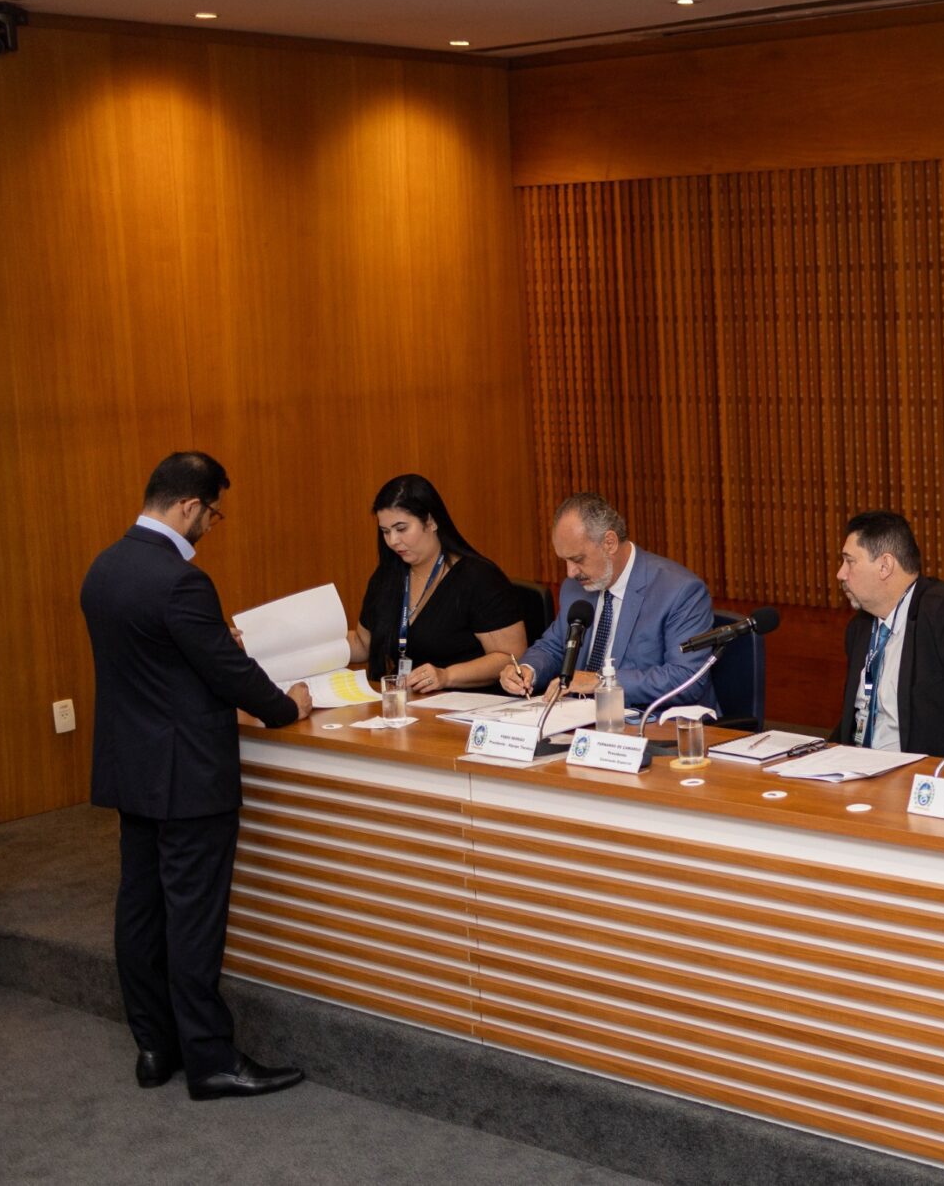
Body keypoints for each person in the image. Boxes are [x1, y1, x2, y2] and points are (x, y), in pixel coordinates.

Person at [80, 451, 312, 1100]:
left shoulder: (104, 568)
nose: (211, 524)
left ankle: (155, 1046)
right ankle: (210, 1059)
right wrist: (285, 705)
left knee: (141, 907)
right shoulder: (182, 580)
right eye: (213, 513)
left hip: (133, 768)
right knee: (192, 919)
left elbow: (155, 665)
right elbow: (225, 675)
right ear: (189, 506)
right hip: (188, 774)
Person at [826, 511, 944, 766]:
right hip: (860, 772)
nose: (841, 574)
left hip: (922, 777)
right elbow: (858, 716)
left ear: (885, 566)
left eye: (849, 561)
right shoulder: (860, 628)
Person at [498, 493, 717, 711]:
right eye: (564, 561)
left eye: (577, 559)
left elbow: (687, 679)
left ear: (609, 543)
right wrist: (527, 670)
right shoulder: (574, 588)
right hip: (582, 721)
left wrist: (601, 681)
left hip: (654, 724)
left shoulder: (678, 590)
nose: (570, 572)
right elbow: (554, 647)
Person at [347, 474, 528, 693]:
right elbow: (363, 644)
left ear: (431, 522)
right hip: (410, 705)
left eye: (401, 529)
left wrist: (447, 676)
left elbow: (511, 657)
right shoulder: (387, 576)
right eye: (385, 532)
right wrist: (312, 646)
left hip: (469, 706)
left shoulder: (478, 578)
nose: (393, 541)